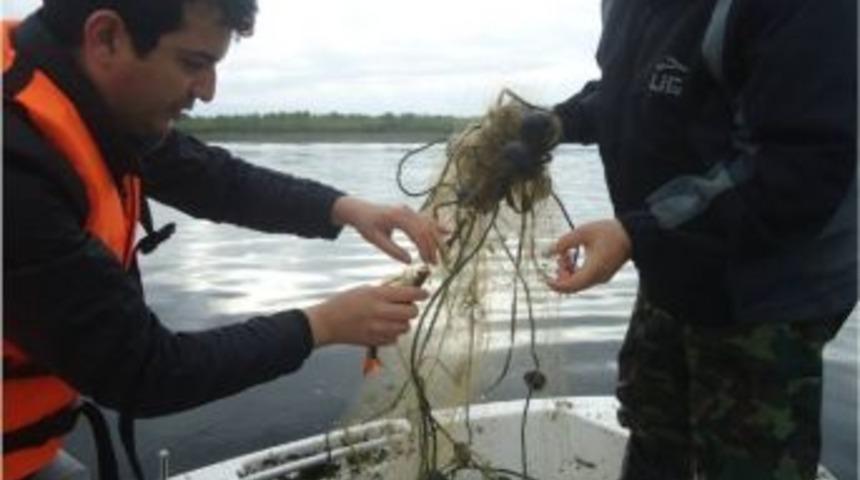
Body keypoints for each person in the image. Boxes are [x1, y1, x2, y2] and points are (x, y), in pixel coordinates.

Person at [2, 1, 442, 479]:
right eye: (194, 63)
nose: (208, 93)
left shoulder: (83, 96)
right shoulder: (14, 165)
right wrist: (323, 325)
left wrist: (348, 209)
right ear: (106, 37)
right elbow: (144, 370)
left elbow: (215, 179)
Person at [545, 0, 857, 479]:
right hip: (672, 265)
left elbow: (796, 168)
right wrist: (558, 122)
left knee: (746, 460)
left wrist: (635, 232)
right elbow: (632, 90)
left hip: (767, 291)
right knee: (654, 426)